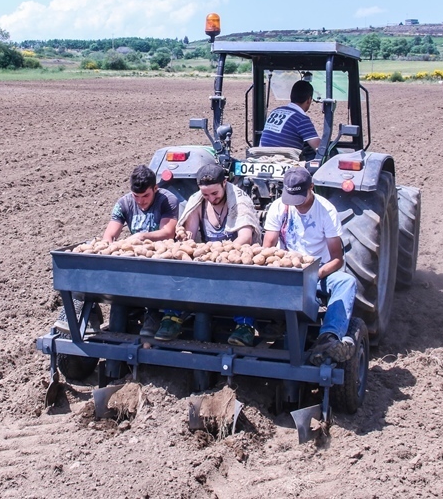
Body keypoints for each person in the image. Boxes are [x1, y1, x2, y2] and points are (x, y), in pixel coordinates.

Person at [54, 165, 178, 334]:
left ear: (155, 189)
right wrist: (108, 248)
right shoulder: (124, 203)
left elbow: (167, 232)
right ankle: (87, 314)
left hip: (161, 260)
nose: (140, 201)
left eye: (145, 196)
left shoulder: (167, 200)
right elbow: (109, 236)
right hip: (134, 258)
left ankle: (154, 315)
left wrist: (142, 237)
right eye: (136, 196)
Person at [152, 164, 262, 344]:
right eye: (206, 194)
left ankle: (244, 325)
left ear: (224, 183)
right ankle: (172, 317)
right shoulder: (197, 202)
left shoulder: (240, 201)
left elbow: (246, 237)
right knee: (178, 265)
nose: (211, 198)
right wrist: (186, 237)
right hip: (207, 258)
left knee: (243, 276)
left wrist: (222, 253)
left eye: (215, 193)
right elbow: (191, 234)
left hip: (233, 258)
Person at [262, 167, 357, 365]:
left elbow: (337, 259)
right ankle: (271, 321)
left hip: (319, 272)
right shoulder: (279, 207)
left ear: (311, 187)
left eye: (299, 198)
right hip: (287, 271)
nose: (295, 204)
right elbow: (267, 248)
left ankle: (329, 337)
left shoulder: (326, 211)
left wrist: (315, 275)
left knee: (346, 282)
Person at [258, 80, 321, 161]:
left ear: (291, 96)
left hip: (261, 158)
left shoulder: (275, 111)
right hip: (282, 162)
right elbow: (319, 149)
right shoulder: (301, 119)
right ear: (309, 100)